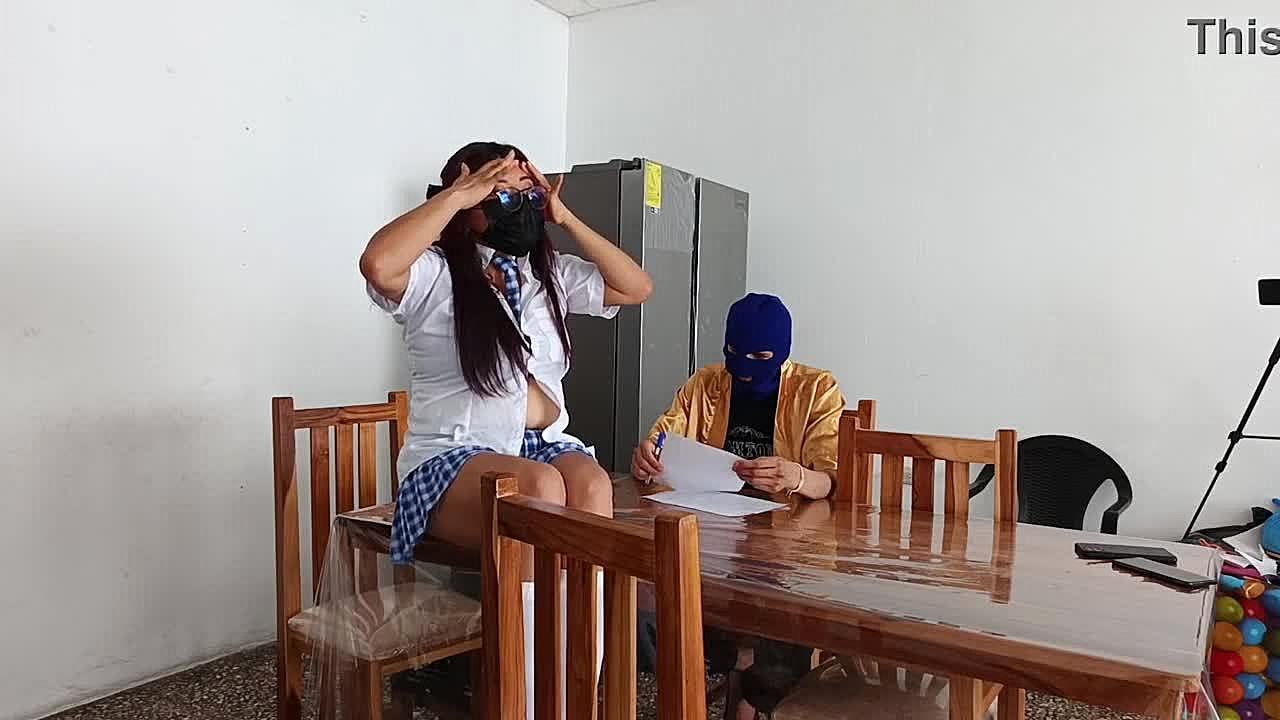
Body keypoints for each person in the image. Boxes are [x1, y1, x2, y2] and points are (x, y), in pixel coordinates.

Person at [361, 141, 652, 715]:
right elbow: (377, 264)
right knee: (536, 488)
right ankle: (525, 700)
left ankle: (572, 693)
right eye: (503, 193)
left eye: (527, 194)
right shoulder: (434, 275)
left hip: (538, 445)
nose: (518, 205)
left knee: (592, 485)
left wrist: (563, 216)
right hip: (451, 458)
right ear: (466, 198)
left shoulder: (547, 276)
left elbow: (635, 286)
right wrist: (458, 195)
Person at [630, 292, 843, 720]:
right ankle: (724, 667)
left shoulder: (816, 390)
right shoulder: (706, 385)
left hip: (789, 532)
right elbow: (665, 438)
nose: (745, 369)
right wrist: (646, 457)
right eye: (734, 355)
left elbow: (832, 479)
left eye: (761, 357)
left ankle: (754, 690)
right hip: (713, 525)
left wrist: (796, 477)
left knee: (789, 600)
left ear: (782, 352)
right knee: (661, 586)